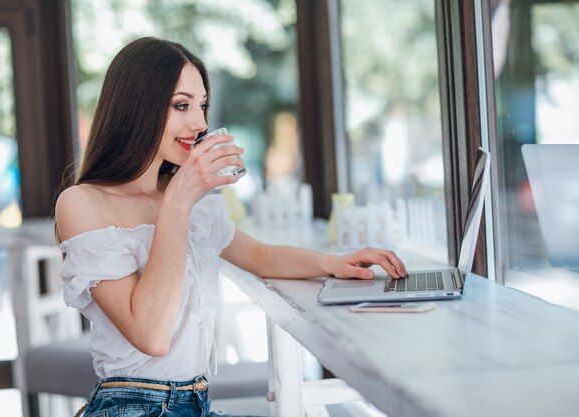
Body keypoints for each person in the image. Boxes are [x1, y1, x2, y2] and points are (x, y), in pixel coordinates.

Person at [55, 37, 408, 417]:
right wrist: (178, 200)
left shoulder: (192, 202)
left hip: (198, 404)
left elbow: (257, 255)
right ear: (136, 107)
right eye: (181, 105)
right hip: (132, 406)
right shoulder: (82, 203)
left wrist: (335, 263)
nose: (201, 123)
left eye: (202, 106)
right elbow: (151, 334)